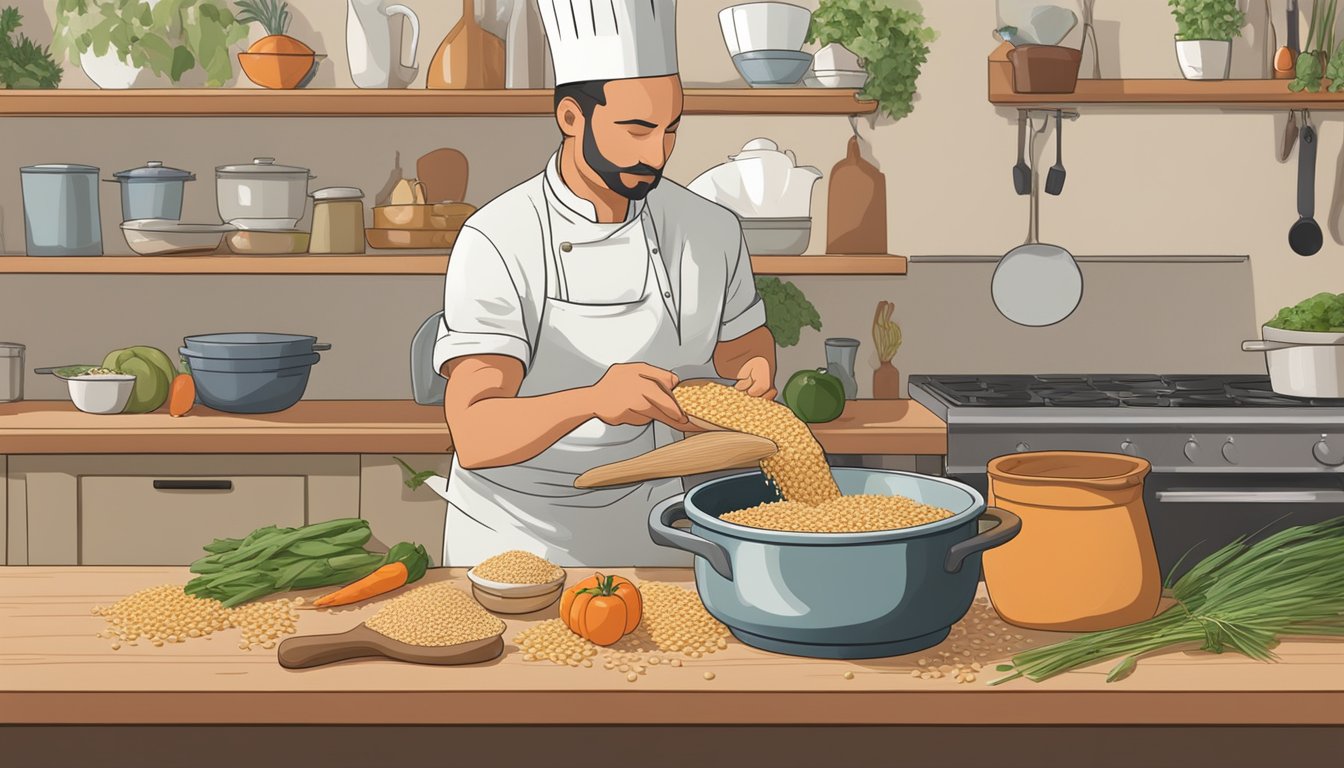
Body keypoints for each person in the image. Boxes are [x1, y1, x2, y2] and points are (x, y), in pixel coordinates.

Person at [432, 0, 776, 566]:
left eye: (670, 130)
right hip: (520, 541)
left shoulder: (711, 228)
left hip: (668, 529)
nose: (657, 153)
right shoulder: (499, 237)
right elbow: (475, 432)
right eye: (636, 129)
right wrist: (595, 400)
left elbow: (744, 345)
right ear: (571, 117)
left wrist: (754, 372)